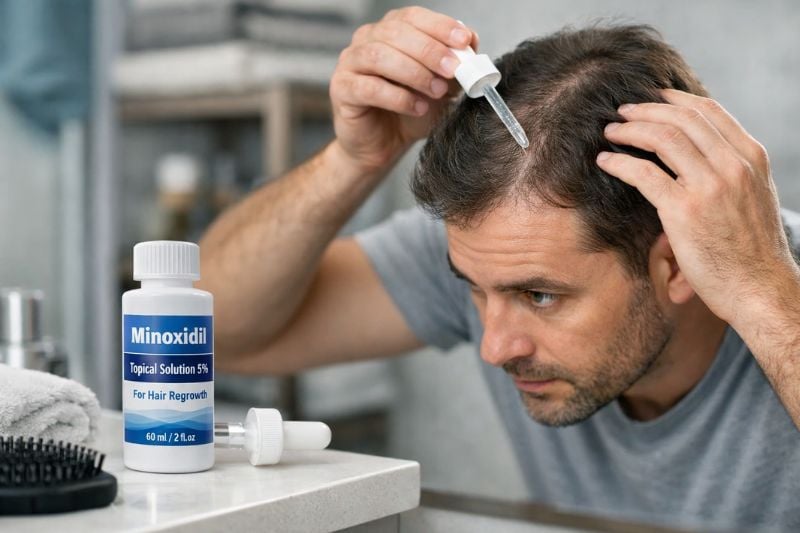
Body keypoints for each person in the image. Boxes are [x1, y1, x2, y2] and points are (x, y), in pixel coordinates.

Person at [198, 6, 800, 530]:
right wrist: (353, 159)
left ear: (677, 263)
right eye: (475, 293)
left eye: (539, 297)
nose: (494, 346)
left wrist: (765, 298)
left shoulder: (774, 293)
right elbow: (209, 329)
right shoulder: (493, 252)